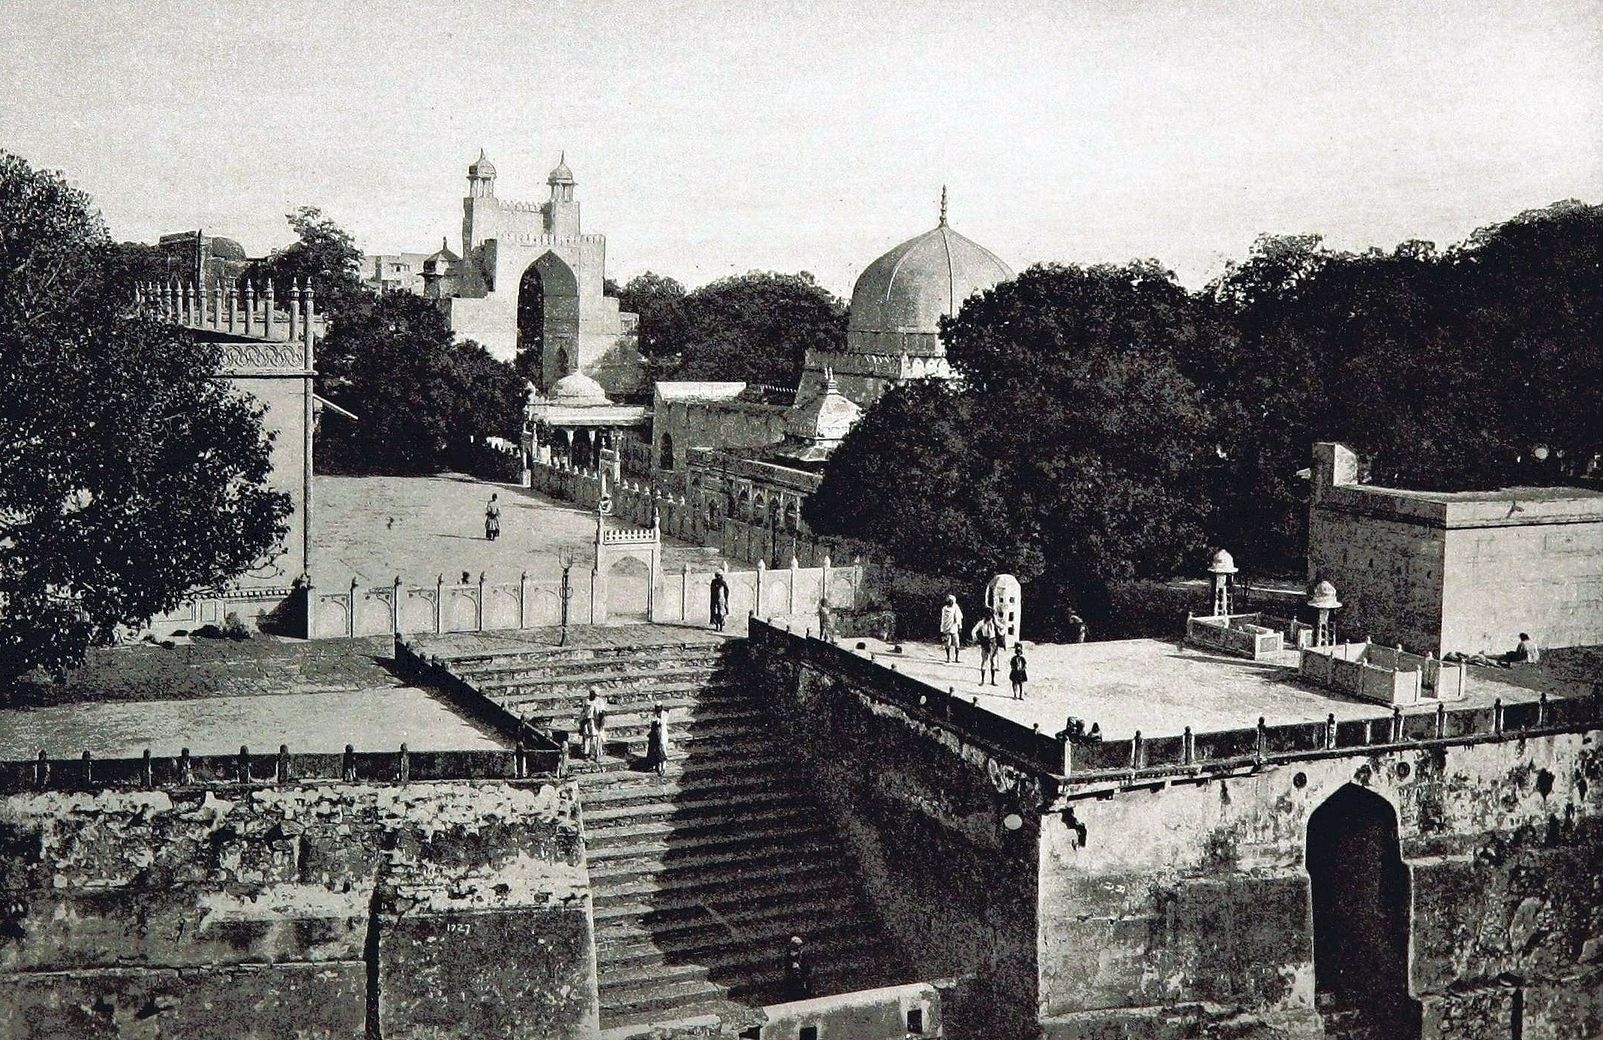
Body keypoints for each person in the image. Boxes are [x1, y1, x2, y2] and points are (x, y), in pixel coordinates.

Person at [971, 609, 1000, 685]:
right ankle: (982, 680)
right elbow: (974, 630)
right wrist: (975, 638)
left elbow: (1002, 627)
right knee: (984, 660)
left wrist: (1001, 632)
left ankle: (993, 680)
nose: (989, 617)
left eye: (991, 615)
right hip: (985, 642)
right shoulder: (981, 623)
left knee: (993, 661)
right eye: (988, 615)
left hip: (993, 642)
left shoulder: (994, 622)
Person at [783, 935, 812, 1000]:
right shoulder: (788, 955)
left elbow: (806, 967)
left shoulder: (802, 954)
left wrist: (800, 967)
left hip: (801, 976)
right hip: (792, 977)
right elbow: (786, 966)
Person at [645, 702, 670, 777]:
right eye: (656, 708)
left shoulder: (665, 714)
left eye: (659, 707)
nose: (657, 709)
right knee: (656, 750)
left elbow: (662, 722)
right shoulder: (653, 715)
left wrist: (657, 720)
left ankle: (663, 767)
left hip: (662, 734)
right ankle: (657, 766)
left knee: (663, 750)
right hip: (655, 735)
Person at [940, 595, 964, 663]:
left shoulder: (956, 607)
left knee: (957, 643)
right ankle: (948, 658)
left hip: (954, 628)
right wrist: (942, 629)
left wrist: (960, 626)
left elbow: (958, 617)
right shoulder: (944, 609)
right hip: (946, 628)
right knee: (947, 644)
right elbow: (943, 619)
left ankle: (956, 658)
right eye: (949, 601)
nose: (950, 602)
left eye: (952, 601)